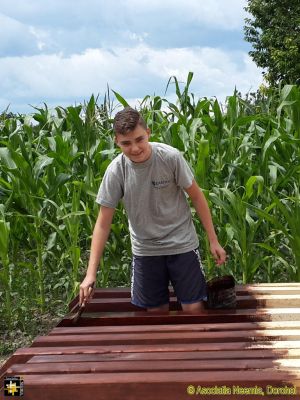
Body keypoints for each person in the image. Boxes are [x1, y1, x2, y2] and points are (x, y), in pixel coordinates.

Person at [79, 107, 226, 313]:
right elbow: (103, 223)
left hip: (181, 244)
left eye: (139, 139)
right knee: (156, 314)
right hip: (145, 249)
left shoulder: (170, 158)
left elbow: (197, 196)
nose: (135, 148)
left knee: (194, 309)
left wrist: (213, 240)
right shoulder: (116, 171)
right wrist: (90, 274)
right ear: (116, 141)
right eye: (126, 143)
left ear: (148, 133)